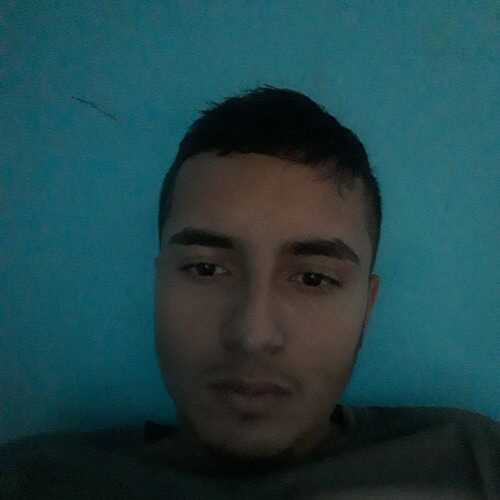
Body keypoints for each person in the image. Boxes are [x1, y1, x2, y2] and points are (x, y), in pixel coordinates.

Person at [1, 86, 498, 499]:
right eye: (205, 269)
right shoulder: (33, 479)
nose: (252, 335)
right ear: (159, 284)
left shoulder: (475, 462)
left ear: (367, 308)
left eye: (313, 279)